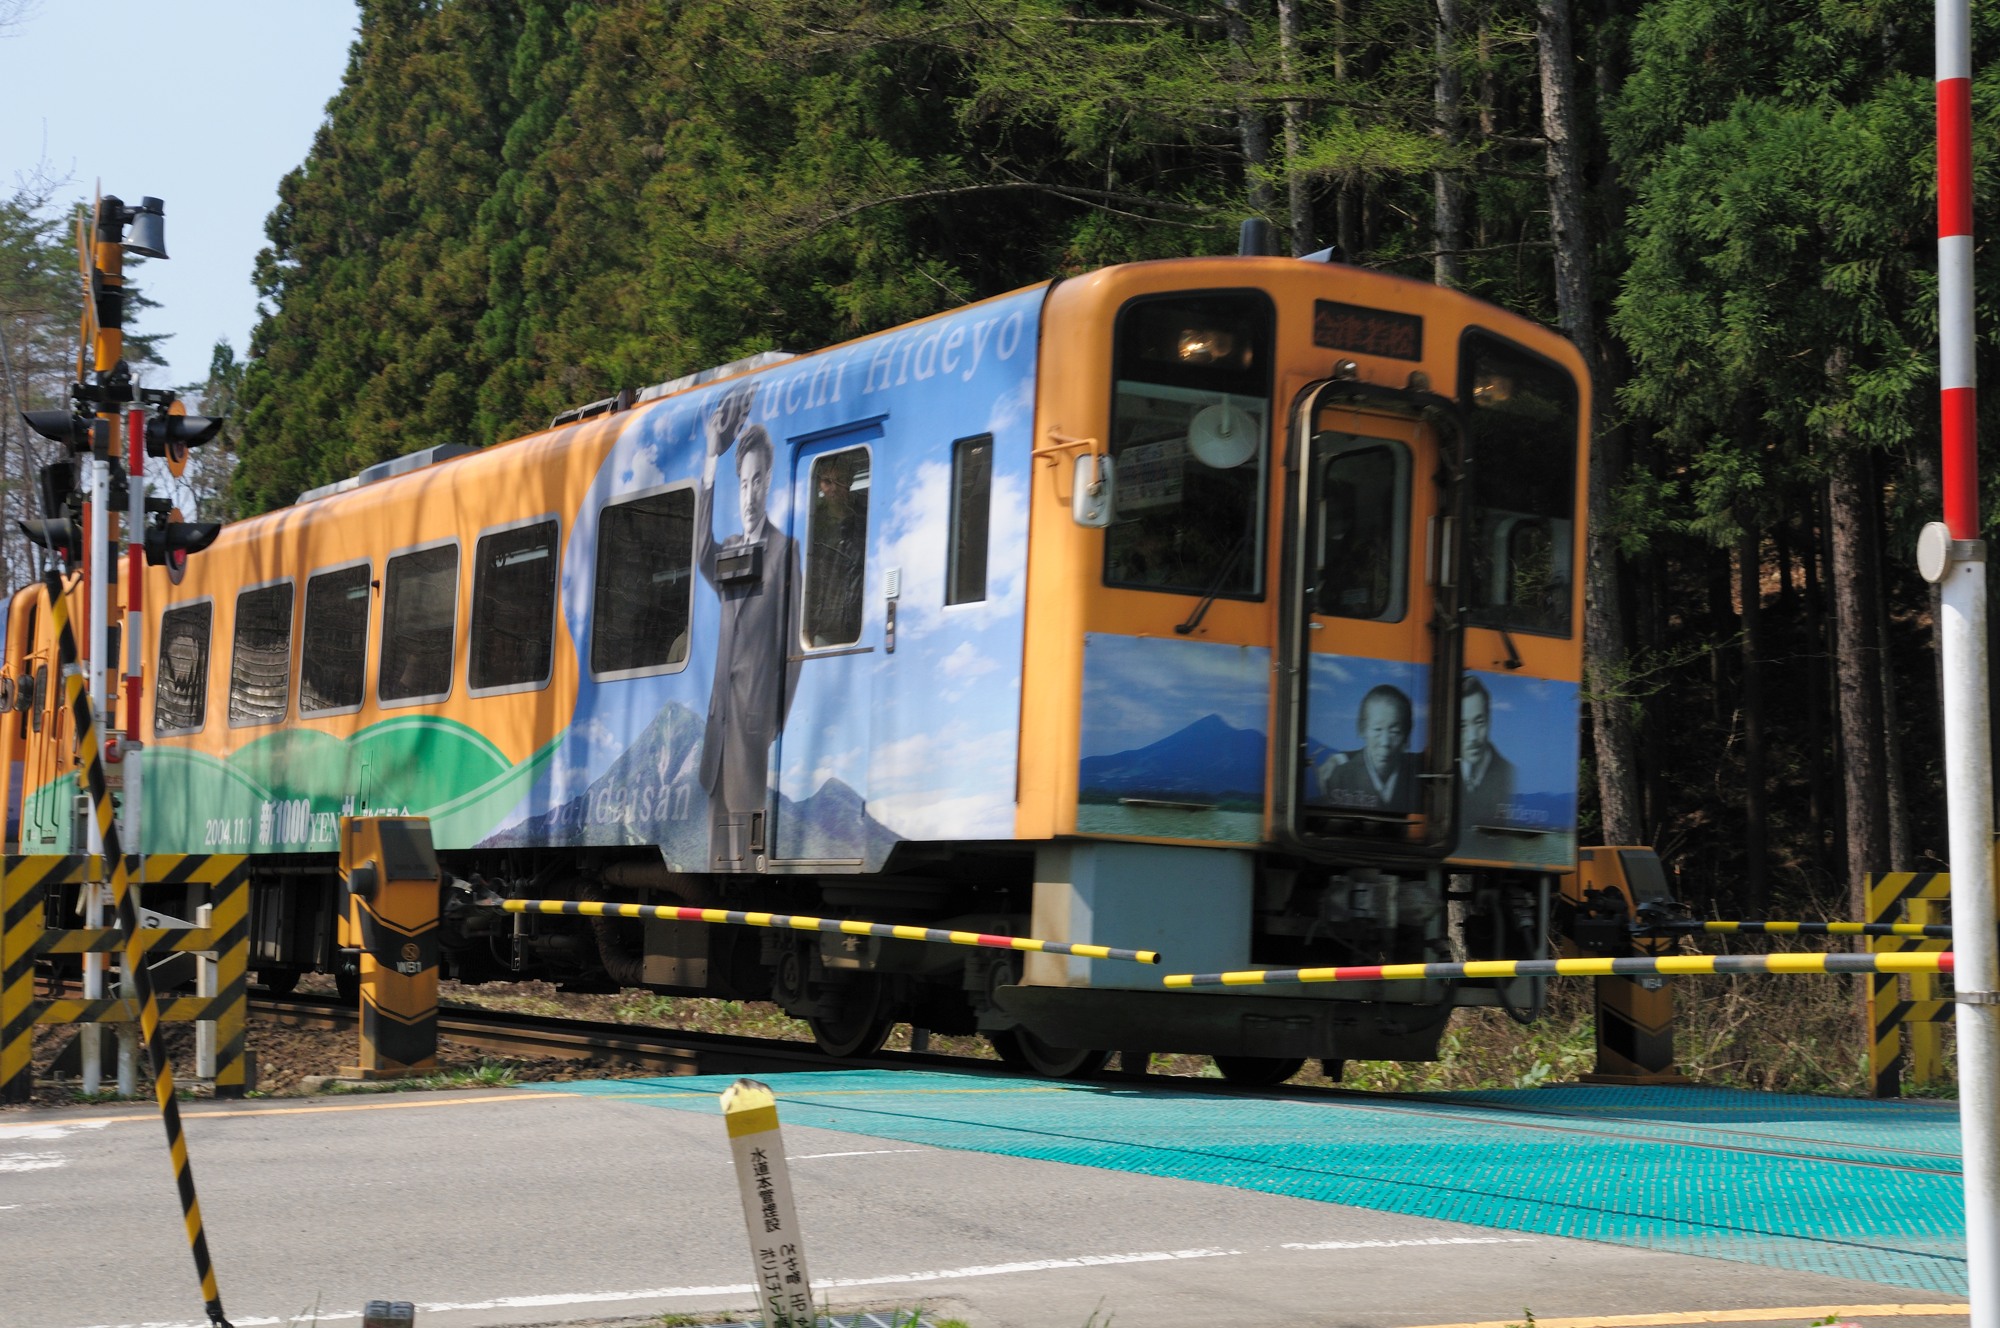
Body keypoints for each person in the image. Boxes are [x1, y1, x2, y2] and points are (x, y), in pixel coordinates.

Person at [694, 385, 801, 867]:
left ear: (769, 481)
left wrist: (770, 722)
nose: (749, 495)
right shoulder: (731, 550)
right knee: (715, 869)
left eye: (757, 482)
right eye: (743, 483)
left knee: (748, 867)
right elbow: (700, 550)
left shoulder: (784, 552)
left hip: (752, 740)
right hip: (718, 743)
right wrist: (711, 459)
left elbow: (795, 648)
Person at [1318, 683, 1419, 813]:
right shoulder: (1340, 777)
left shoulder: (1417, 770)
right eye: (1377, 729)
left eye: (1394, 731)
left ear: (1406, 734)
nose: (1385, 742)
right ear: (1362, 729)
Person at [1458, 674, 1517, 829]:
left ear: (1489, 721)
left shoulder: (1510, 775)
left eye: (1479, 722)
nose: (1472, 737)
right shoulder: (1434, 767)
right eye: (1462, 726)